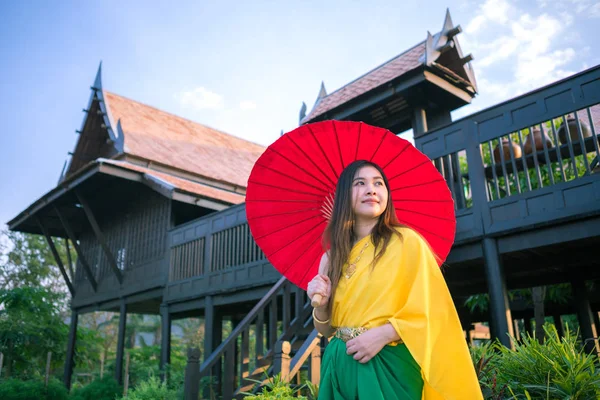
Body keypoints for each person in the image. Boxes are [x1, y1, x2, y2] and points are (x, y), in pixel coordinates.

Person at [307, 160, 482, 400]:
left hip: (389, 364)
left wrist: (383, 335)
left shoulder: (406, 242)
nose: (371, 189)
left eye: (378, 183)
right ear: (344, 196)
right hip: (339, 367)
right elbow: (326, 329)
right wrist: (321, 305)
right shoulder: (330, 258)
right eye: (360, 183)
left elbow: (431, 310)